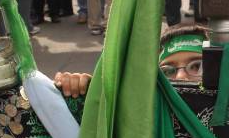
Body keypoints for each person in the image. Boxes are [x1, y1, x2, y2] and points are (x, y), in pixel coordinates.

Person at [54, 24, 210, 95]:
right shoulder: (147, 116)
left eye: (197, 66)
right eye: (168, 71)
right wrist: (84, 88)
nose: (181, 77)